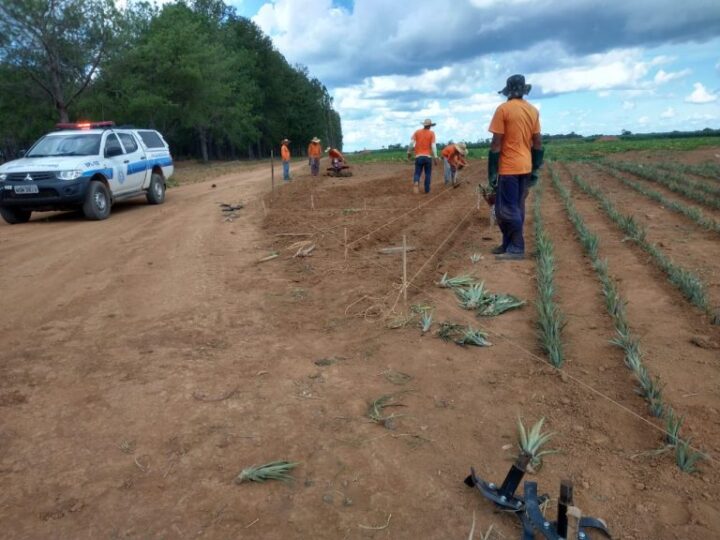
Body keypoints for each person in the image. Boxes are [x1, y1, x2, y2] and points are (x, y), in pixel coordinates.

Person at [487, 74, 543, 260]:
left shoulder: (503, 109)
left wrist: (492, 172)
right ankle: (507, 243)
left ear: (508, 91)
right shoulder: (533, 111)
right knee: (516, 206)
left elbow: (496, 143)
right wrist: (535, 168)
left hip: (509, 167)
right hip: (525, 166)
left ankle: (517, 248)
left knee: (506, 209)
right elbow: (537, 142)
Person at [407, 119, 438, 194]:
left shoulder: (417, 132)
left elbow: (411, 143)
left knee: (417, 172)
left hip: (418, 157)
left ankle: (416, 182)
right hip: (428, 157)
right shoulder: (432, 133)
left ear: (424, 125)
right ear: (430, 126)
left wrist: (408, 152)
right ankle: (427, 190)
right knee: (428, 174)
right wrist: (435, 157)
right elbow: (433, 146)